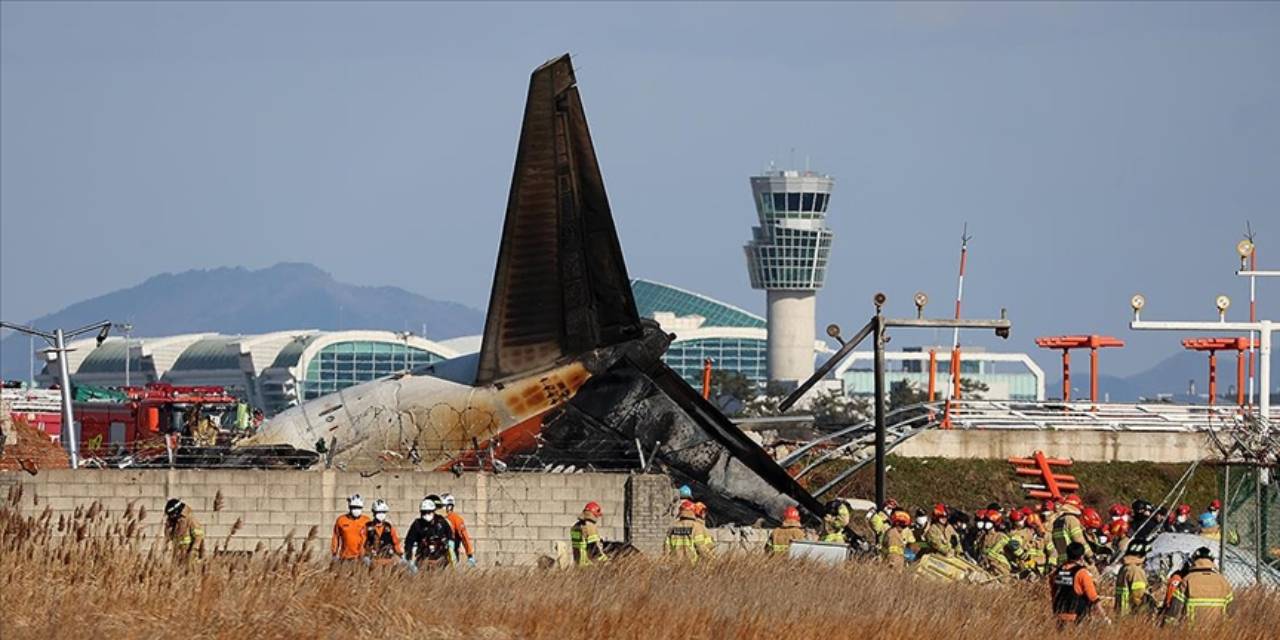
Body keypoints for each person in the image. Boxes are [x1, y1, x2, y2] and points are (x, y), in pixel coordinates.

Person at [1164, 547, 1233, 625]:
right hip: (1219, 630)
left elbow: (1174, 610)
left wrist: (1166, 626)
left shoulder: (1187, 580)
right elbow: (1231, 612)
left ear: (1193, 561)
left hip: (1191, 630)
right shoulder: (1223, 581)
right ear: (1212, 561)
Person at [1050, 542, 1106, 627]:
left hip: (1059, 616)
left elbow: (1054, 592)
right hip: (1076, 619)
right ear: (1082, 557)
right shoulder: (1082, 573)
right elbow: (1093, 598)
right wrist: (1104, 617)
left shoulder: (1057, 572)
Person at [404, 498, 456, 571]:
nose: (426, 514)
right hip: (423, 560)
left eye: (429, 512)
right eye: (424, 512)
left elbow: (450, 535)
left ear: (433, 511)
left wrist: (451, 548)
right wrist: (408, 557)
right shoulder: (417, 524)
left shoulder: (441, 522)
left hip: (441, 559)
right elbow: (409, 542)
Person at [979, 510, 1022, 577]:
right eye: (985, 521)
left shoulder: (1000, 536)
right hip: (986, 565)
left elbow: (1014, 549)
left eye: (989, 522)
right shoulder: (983, 536)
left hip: (1000, 567)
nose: (986, 524)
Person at [664, 499, 708, 564]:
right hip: (692, 564)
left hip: (675, 564)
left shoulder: (672, 527)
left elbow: (666, 548)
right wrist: (712, 559)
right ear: (692, 511)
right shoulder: (696, 527)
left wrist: (666, 562)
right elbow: (701, 547)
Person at [1051, 494, 1092, 561]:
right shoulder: (1071, 519)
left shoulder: (1057, 520)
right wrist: (1090, 555)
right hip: (1073, 558)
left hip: (1061, 559)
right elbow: (1079, 540)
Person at [364, 499, 403, 566]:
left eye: (383, 512)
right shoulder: (367, 526)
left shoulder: (389, 527)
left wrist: (399, 553)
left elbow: (396, 542)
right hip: (373, 558)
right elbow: (362, 543)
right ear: (374, 513)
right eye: (379, 512)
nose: (381, 514)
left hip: (388, 558)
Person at [1115, 541, 1150, 617]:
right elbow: (1139, 596)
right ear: (1140, 555)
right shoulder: (1135, 571)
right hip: (1131, 614)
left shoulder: (1124, 568)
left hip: (1121, 612)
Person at [441, 493, 476, 567]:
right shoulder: (437, 518)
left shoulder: (456, 519)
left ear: (450, 506)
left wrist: (470, 555)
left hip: (451, 552)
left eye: (443, 506)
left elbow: (464, 537)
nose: (441, 509)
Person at [331, 494, 369, 562]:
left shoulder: (366, 521)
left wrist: (369, 554)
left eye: (359, 507)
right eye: (354, 507)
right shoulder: (341, 520)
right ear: (349, 507)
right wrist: (334, 553)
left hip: (362, 557)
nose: (356, 509)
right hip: (345, 557)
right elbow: (336, 537)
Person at [570, 501, 609, 567]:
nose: (597, 518)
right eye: (597, 516)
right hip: (589, 565)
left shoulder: (575, 527)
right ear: (594, 514)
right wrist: (606, 561)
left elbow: (582, 544)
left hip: (578, 564)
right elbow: (593, 549)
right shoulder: (590, 526)